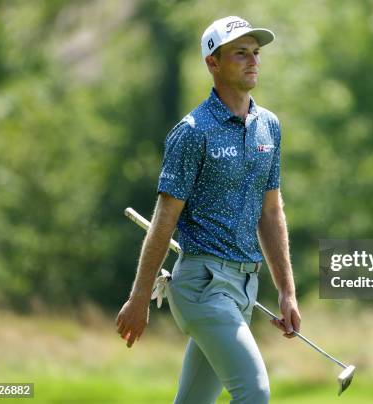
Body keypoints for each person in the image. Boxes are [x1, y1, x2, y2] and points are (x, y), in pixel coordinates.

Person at [115, 16, 301, 404]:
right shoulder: (192, 131)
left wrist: (286, 290)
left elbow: (270, 212)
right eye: (239, 54)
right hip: (202, 286)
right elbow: (165, 218)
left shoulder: (269, 126)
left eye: (255, 53)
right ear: (212, 63)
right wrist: (139, 296)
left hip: (244, 289)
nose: (252, 61)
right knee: (253, 392)